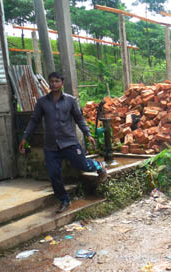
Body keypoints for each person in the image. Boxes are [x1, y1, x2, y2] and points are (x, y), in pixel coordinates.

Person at [19, 72, 107, 213]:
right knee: (54, 174)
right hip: (51, 145)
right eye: (51, 81)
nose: (54, 84)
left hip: (69, 142)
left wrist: (88, 134)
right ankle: (64, 200)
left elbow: (79, 119)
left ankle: (98, 165)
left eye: (57, 81)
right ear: (49, 83)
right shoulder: (42, 102)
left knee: (82, 164)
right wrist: (25, 138)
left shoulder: (70, 100)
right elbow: (34, 121)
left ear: (62, 83)